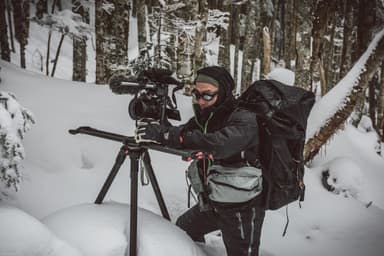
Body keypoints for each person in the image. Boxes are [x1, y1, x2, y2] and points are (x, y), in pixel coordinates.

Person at [135, 66, 265, 256]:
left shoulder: (243, 117)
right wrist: (159, 128)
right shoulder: (207, 116)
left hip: (242, 207)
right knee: (184, 230)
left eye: (207, 95)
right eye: (196, 94)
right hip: (214, 200)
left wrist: (170, 136)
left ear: (224, 93)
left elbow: (221, 144)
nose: (200, 101)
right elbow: (185, 135)